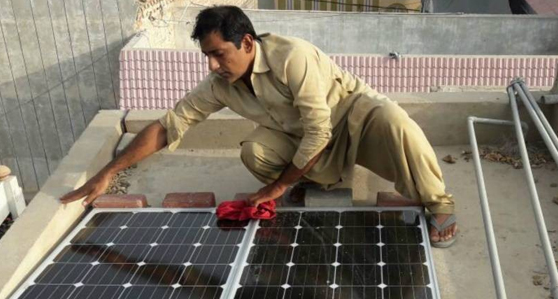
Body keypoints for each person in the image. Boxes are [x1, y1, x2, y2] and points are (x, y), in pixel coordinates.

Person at [61, 6, 458, 247]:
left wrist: (278, 186)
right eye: (207, 56)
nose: (213, 66)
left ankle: (438, 201)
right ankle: (318, 180)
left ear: (247, 43)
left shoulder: (292, 57)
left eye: (218, 54)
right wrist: (108, 172)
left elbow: (321, 130)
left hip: (350, 118)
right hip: (302, 136)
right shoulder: (221, 83)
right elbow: (169, 124)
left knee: (395, 122)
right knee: (254, 151)